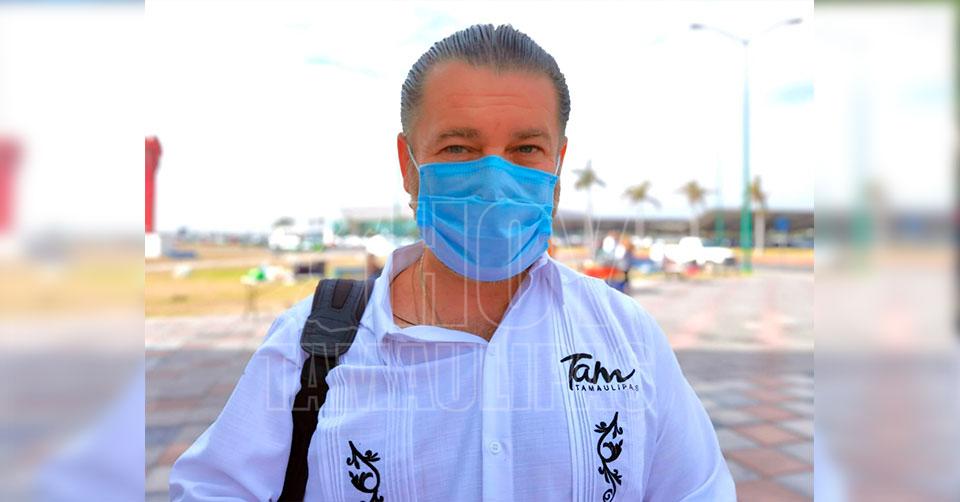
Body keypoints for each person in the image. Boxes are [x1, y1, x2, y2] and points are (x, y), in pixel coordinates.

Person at [170, 24, 735, 501]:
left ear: (558, 163)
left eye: (525, 149)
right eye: (459, 148)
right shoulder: (310, 347)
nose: (494, 179)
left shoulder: (627, 337)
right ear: (408, 165)